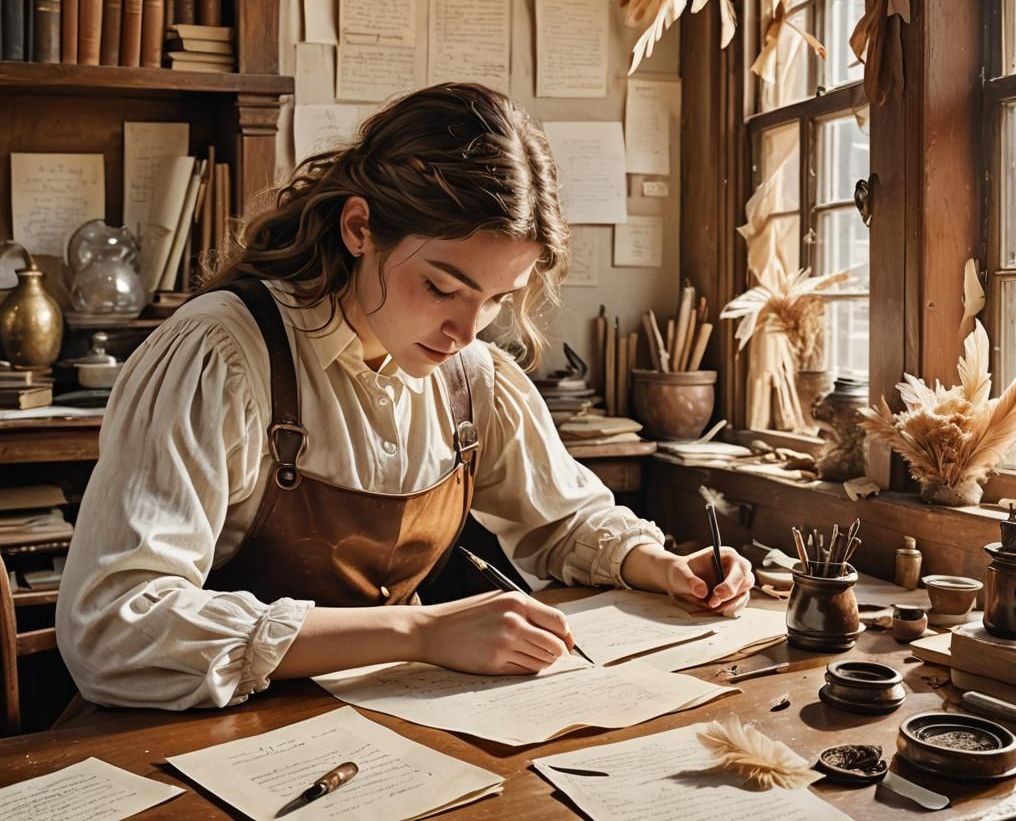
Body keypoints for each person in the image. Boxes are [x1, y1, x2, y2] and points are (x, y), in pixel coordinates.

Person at [56, 83, 753, 711]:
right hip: (201, 731)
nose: (464, 330)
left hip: (378, 722)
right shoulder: (220, 357)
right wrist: (419, 631)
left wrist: (664, 569)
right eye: (443, 288)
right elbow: (116, 627)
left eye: (496, 300)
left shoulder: (472, 375)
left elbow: (563, 523)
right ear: (359, 228)